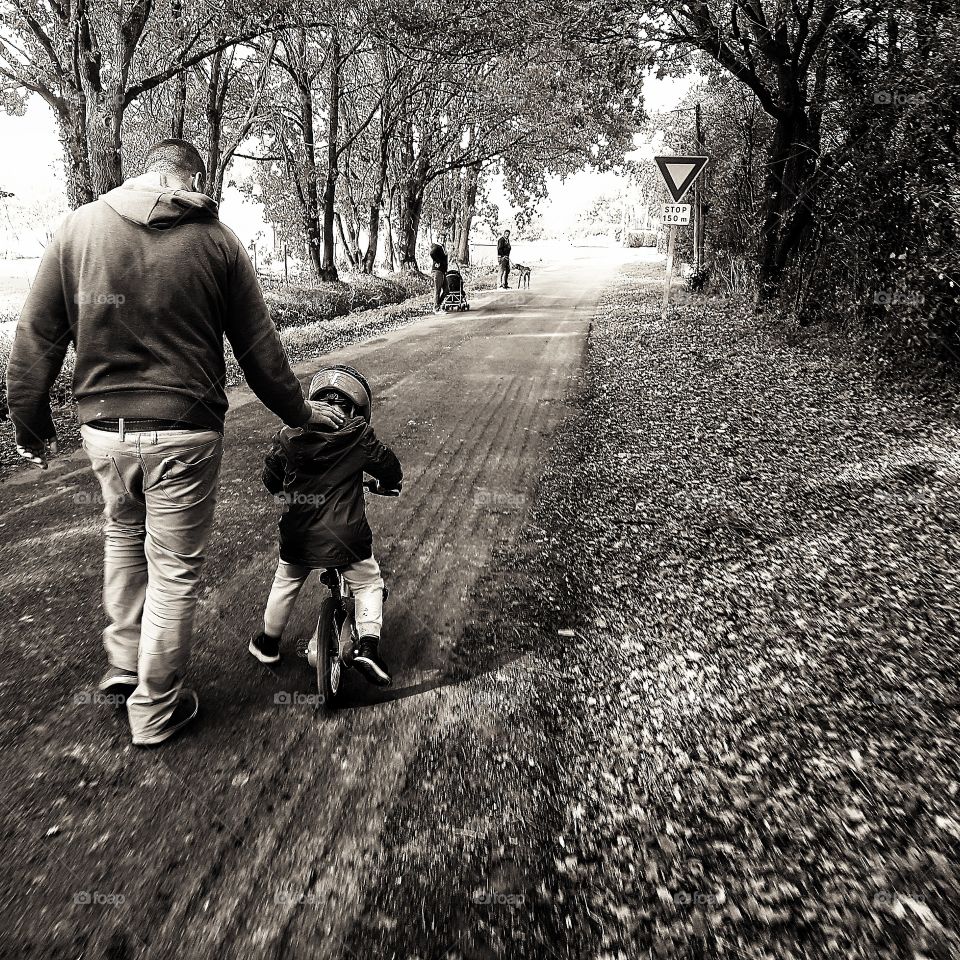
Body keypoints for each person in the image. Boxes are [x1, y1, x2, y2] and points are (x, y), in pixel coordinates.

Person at [5, 138, 343, 747]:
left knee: (122, 537)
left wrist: (31, 427)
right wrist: (300, 413)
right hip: (185, 432)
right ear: (189, 177)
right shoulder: (216, 241)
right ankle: (156, 708)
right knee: (174, 569)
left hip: (104, 431)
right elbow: (259, 350)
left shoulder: (78, 228)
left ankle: (126, 663)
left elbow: (34, 340)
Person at [251, 365, 403, 687]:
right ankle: (368, 647)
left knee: (286, 583)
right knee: (368, 584)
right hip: (347, 539)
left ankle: (267, 642)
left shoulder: (290, 436)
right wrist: (386, 482)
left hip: (299, 536)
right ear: (357, 411)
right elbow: (389, 467)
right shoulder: (358, 436)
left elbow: (271, 479)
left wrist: (286, 489)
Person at [430, 241, 449, 312]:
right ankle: (436, 308)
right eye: (441, 237)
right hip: (437, 271)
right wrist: (438, 262)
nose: (443, 239)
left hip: (442, 271)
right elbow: (432, 253)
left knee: (446, 290)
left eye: (444, 237)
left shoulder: (442, 247)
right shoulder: (437, 246)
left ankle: (438, 304)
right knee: (437, 290)